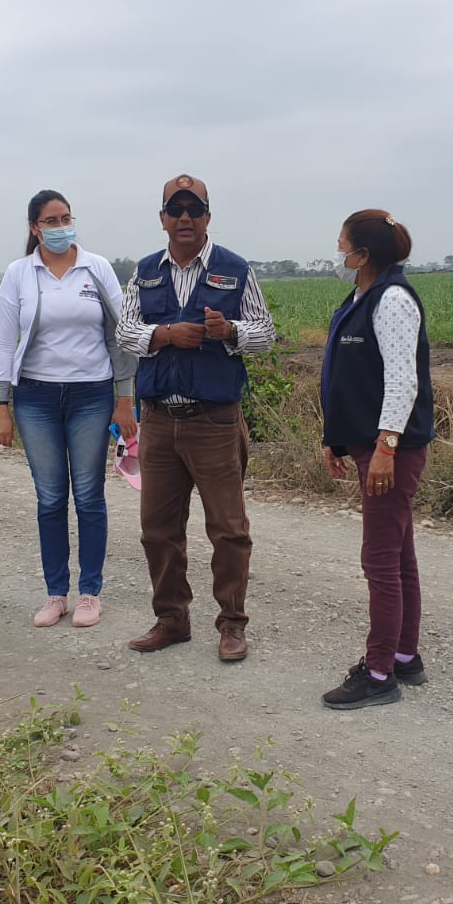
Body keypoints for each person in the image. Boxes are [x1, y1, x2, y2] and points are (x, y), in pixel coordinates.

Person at [116, 174, 277, 662]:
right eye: (175, 209)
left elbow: (265, 333)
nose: (184, 217)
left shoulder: (235, 269)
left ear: (208, 216)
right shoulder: (145, 272)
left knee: (228, 529)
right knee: (158, 529)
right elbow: (124, 332)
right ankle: (172, 619)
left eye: (194, 209)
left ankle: (232, 624)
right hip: (158, 420)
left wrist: (229, 331)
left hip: (214, 421)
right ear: (162, 218)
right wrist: (165, 335)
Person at [0, 190, 138, 629]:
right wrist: (1, 403)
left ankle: (90, 592)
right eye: (51, 221)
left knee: (89, 496)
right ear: (34, 227)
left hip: (91, 395)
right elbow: (3, 340)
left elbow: (121, 335)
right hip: (35, 397)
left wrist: (124, 399)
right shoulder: (20, 273)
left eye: (66, 219)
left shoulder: (96, 268)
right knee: (51, 497)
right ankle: (56, 593)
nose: (60, 227)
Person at [318, 209, 435, 709]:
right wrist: (337, 439)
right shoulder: (361, 298)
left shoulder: (392, 300)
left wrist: (387, 448)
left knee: (380, 561)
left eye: (342, 246)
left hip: (392, 451)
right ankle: (405, 656)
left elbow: (402, 381)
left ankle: (380, 671)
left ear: (362, 255)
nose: (337, 254)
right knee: (398, 555)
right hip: (369, 444)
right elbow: (352, 378)